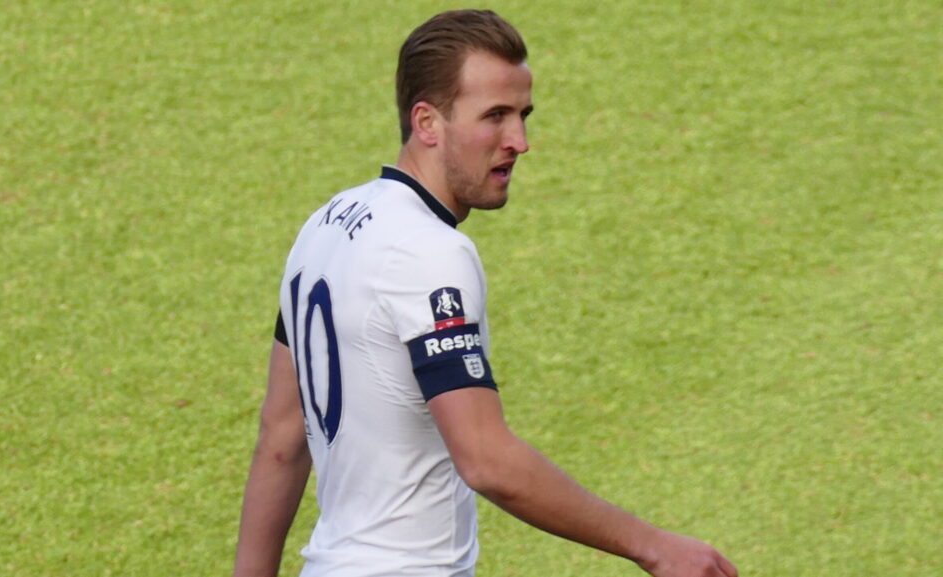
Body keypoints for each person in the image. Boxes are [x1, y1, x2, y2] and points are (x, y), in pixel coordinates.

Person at [233, 9, 738, 577]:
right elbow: (485, 458)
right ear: (427, 121)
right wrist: (653, 545)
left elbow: (281, 434)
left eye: (523, 115)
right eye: (494, 116)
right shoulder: (430, 252)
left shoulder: (325, 225)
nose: (519, 141)